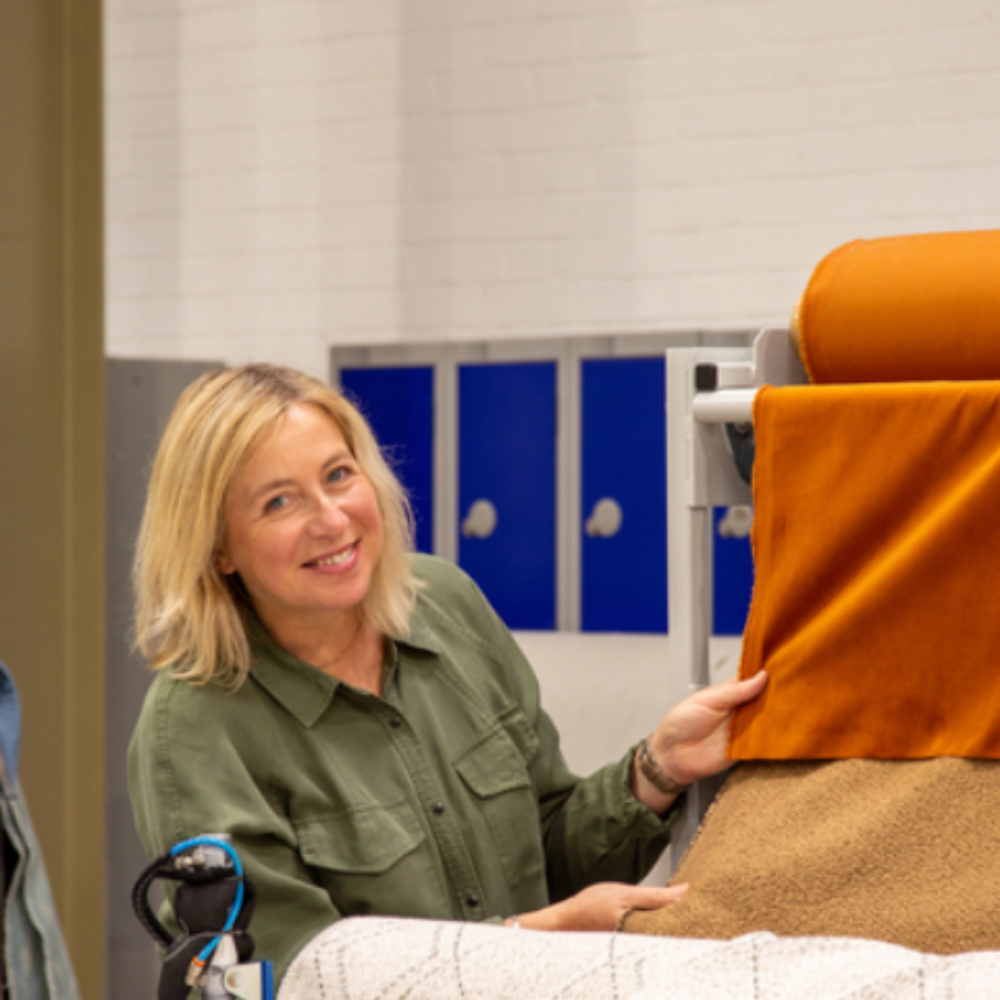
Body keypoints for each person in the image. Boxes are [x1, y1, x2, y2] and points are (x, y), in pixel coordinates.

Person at [127, 363, 767, 986]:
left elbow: (550, 855)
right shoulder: (195, 722)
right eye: (278, 501)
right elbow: (299, 971)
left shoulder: (444, 602)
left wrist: (657, 769)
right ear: (217, 546)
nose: (331, 519)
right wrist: (541, 938)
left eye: (338, 474)